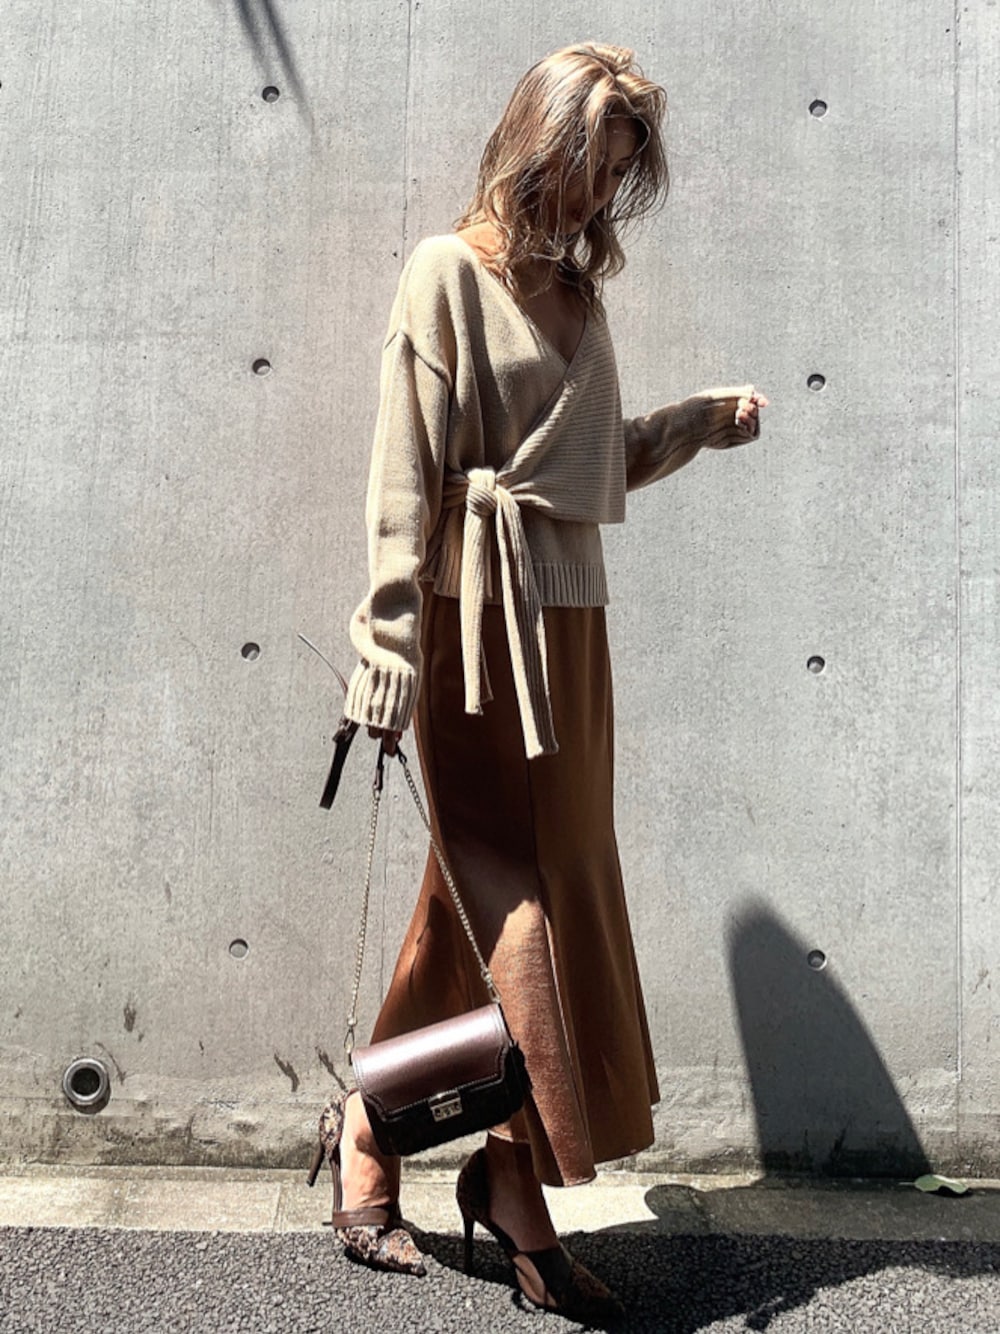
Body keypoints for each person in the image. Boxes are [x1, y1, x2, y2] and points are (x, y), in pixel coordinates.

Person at [313, 41, 767, 1324]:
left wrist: (692, 424)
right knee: (517, 906)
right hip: (470, 632)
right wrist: (386, 644)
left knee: (486, 904)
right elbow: (403, 475)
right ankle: (506, 1187)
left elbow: (585, 465)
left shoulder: (578, 296)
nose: (596, 197)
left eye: (616, 177)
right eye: (588, 166)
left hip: (569, 633)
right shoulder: (443, 273)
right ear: (538, 144)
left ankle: (390, 1131)